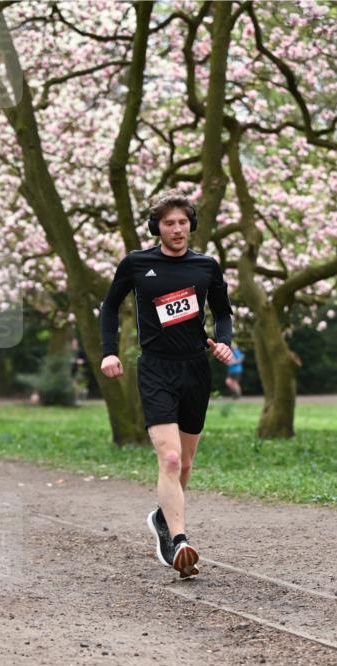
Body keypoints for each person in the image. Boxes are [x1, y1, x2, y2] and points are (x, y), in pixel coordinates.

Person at [100, 192, 234, 578]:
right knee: (170, 459)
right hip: (156, 370)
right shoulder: (138, 264)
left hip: (195, 370)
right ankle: (178, 540)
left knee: (186, 463)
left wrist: (224, 342)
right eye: (169, 223)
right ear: (156, 228)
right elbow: (110, 307)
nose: (177, 230)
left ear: (191, 225)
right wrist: (109, 351)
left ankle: (162, 518)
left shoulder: (206, 266)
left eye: (182, 223)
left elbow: (223, 313)